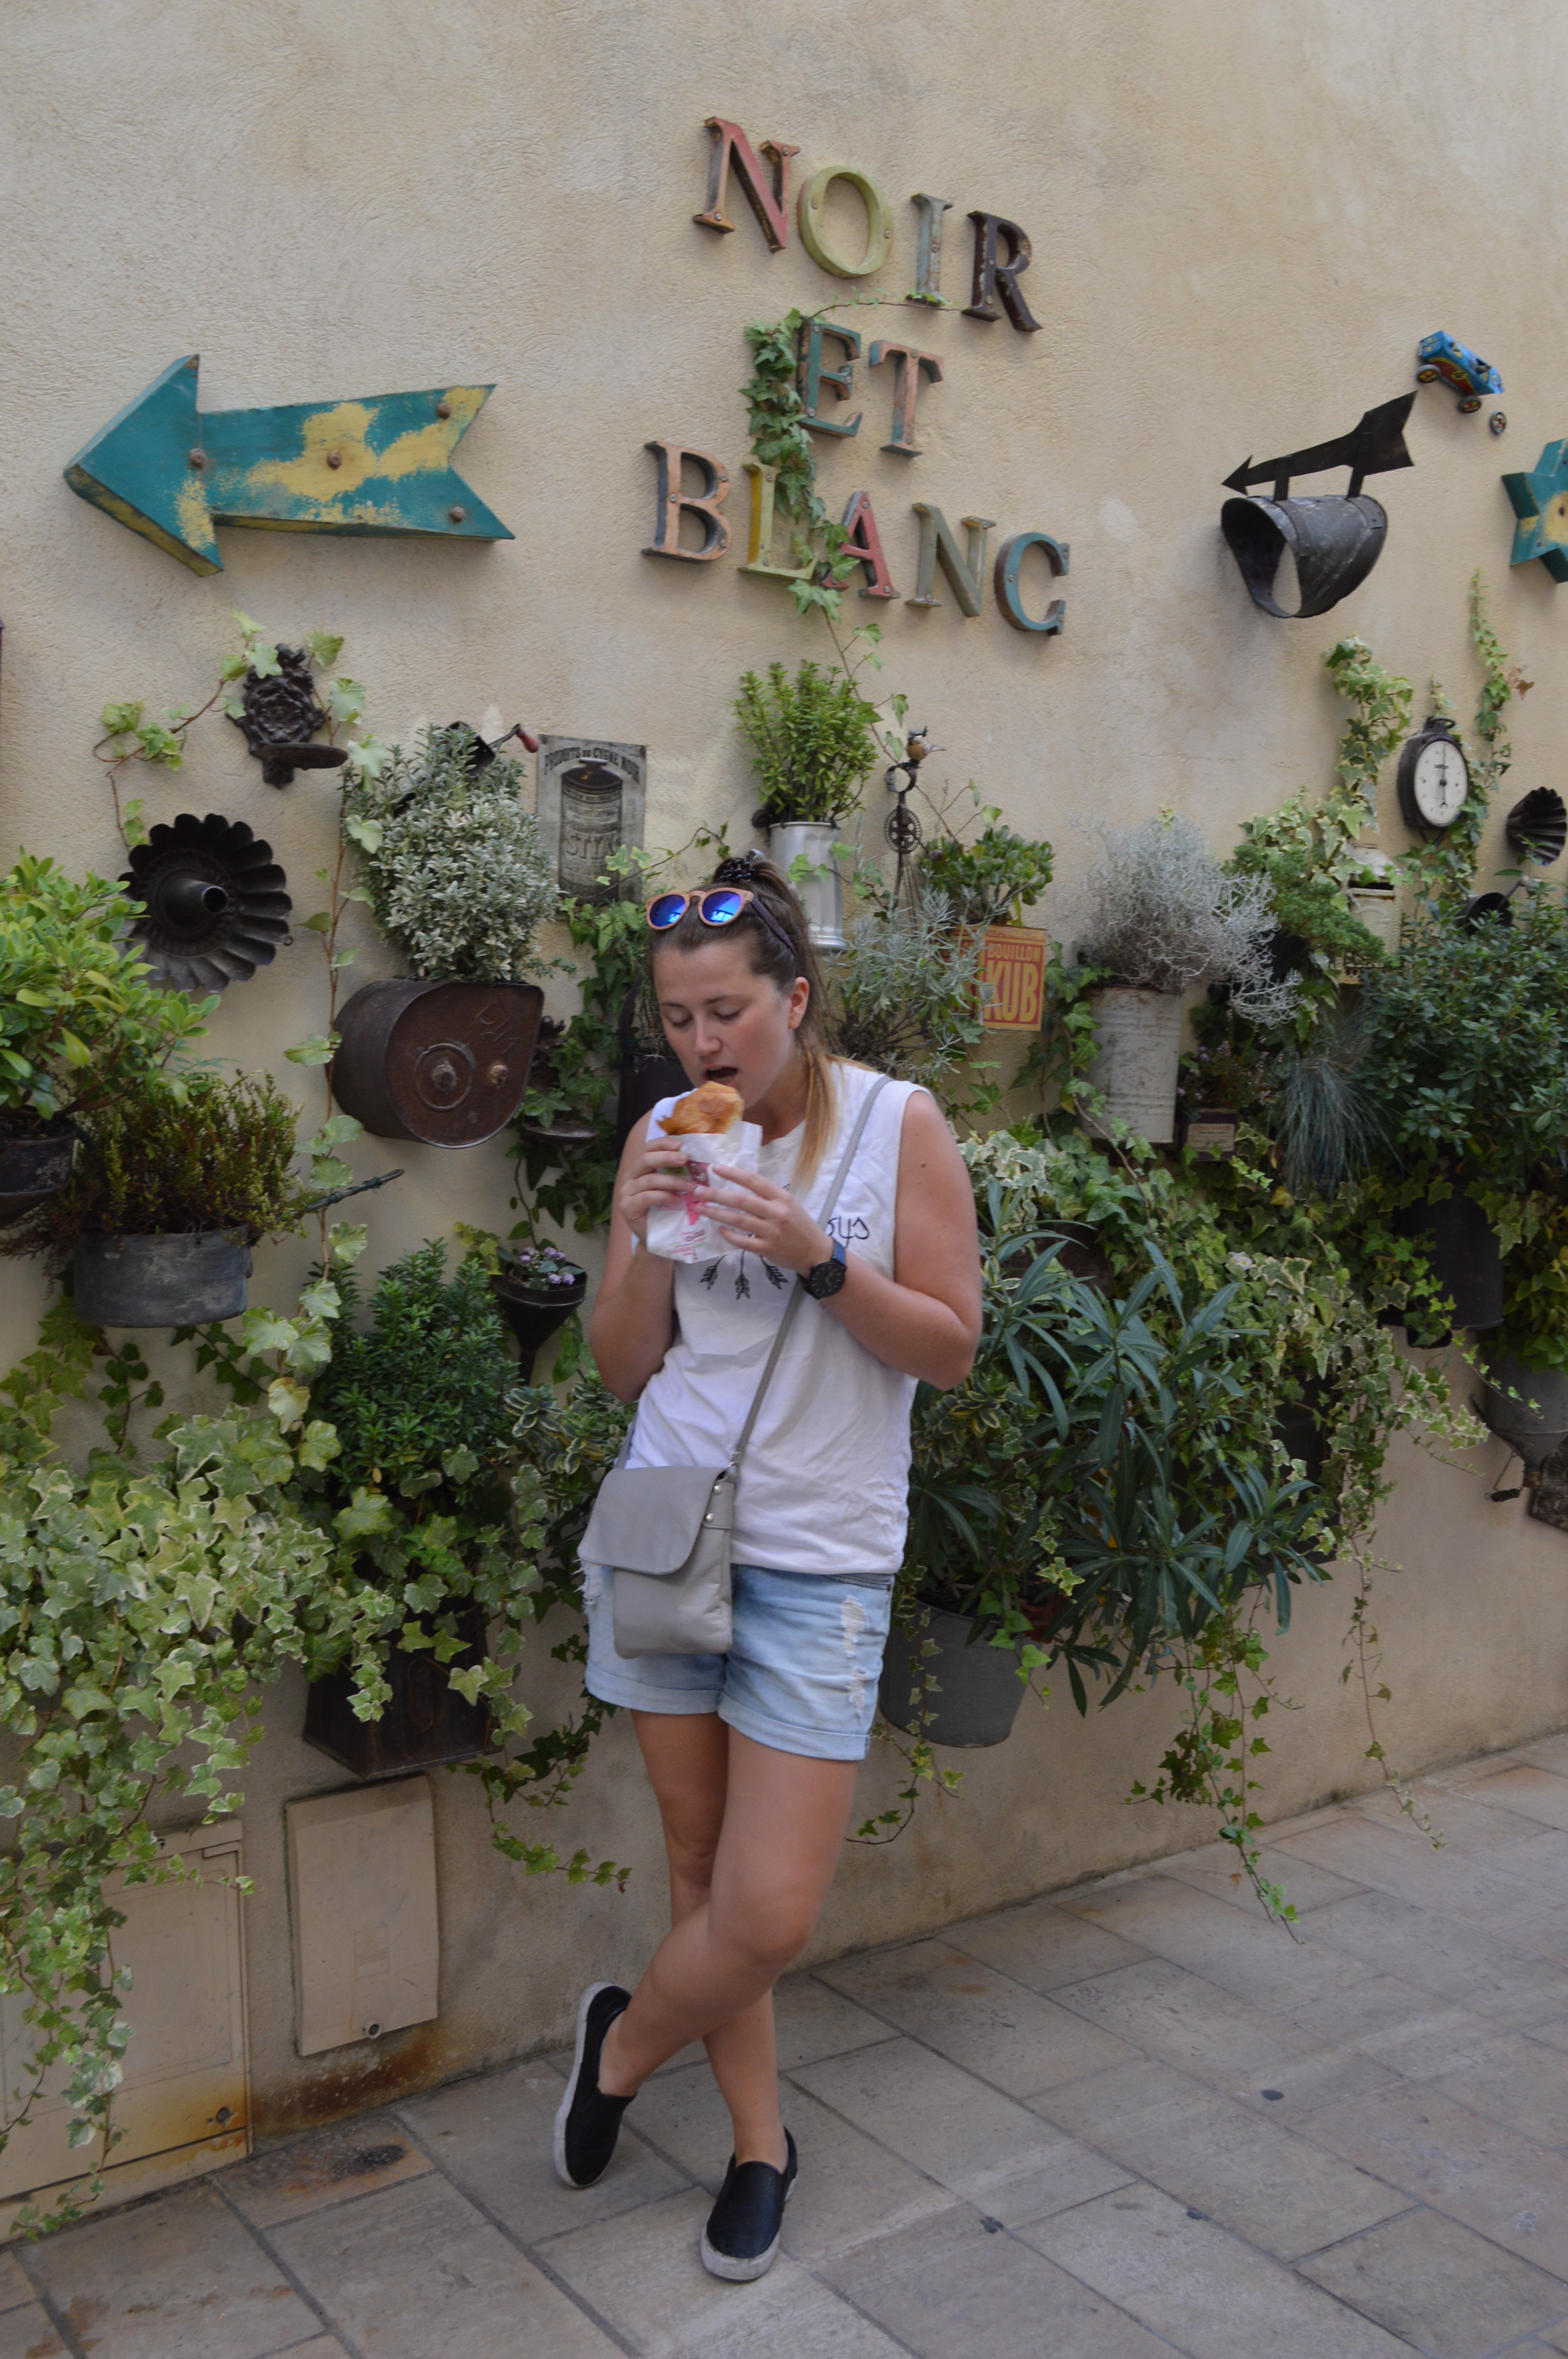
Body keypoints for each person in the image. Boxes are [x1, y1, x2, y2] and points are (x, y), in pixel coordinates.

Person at [553, 852, 981, 2281]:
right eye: (679, 1019)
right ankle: (757, 2146)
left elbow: (950, 1349)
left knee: (769, 1909)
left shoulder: (897, 1128)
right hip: (664, 1516)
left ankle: (620, 2052)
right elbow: (628, 1369)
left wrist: (816, 1257)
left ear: (795, 1000)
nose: (703, 1044)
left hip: (821, 1553)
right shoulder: (667, 1133)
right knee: (698, 1869)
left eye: (727, 1012)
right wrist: (637, 1228)